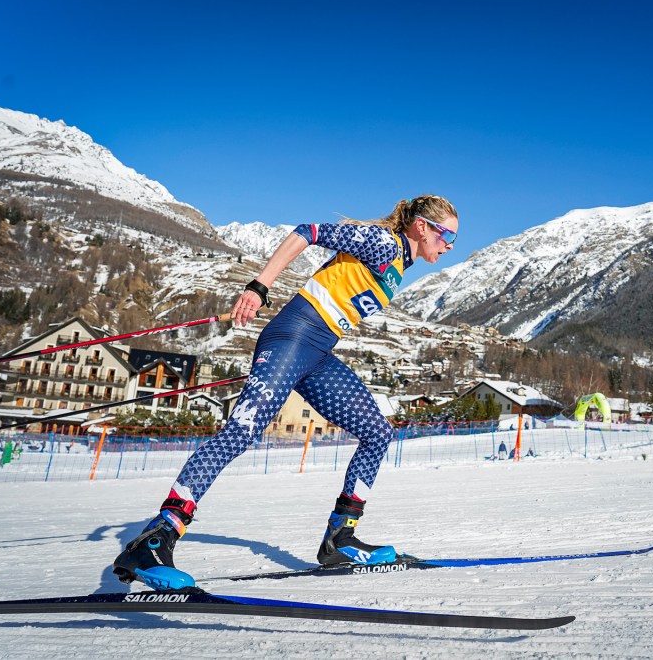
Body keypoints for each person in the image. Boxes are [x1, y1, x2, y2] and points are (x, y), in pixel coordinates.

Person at [113, 195, 459, 589]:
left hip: (316, 353)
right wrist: (259, 287)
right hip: (291, 338)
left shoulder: (399, 262)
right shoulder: (383, 242)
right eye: (447, 235)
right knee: (241, 433)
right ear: (421, 227)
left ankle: (340, 538)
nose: (449, 245)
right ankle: (155, 540)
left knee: (378, 432)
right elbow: (307, 232)